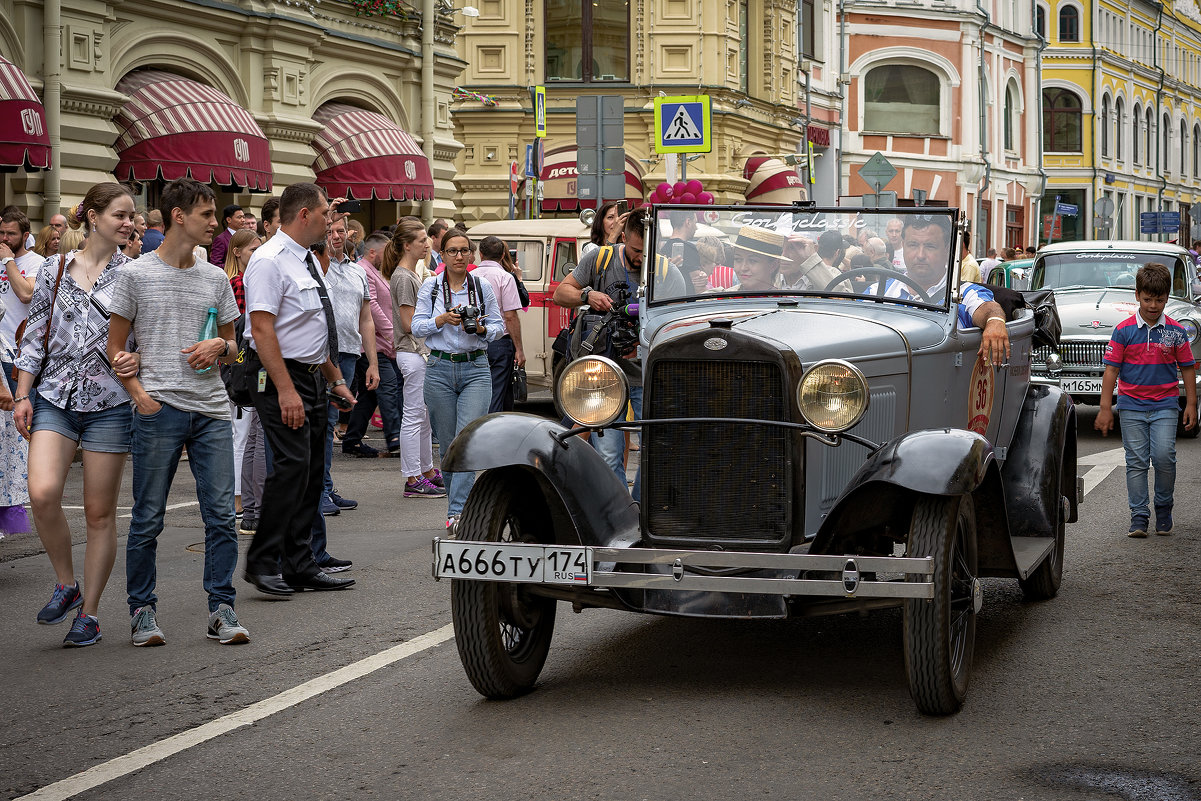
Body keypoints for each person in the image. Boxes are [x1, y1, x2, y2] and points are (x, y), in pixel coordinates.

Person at [106, 178, 249, 647]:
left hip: (210, 409)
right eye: (207, 215)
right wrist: (138, 393)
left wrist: (220, 345)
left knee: (222, 517)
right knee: (148, 517)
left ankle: (221, 610)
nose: (216, 223)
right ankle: (142, 612)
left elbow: (234, 348)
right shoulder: (135, 274)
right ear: (178, 216)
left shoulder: (213, 277)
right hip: (158, 408)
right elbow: (115, 347)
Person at [13, 182, 140, 648]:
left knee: (98, 513)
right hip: (54, 398)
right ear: (92, 217)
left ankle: (89, 614)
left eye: (131, 216)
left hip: (110, 404)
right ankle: (66, 584)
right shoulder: (54, 268)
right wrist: (23, 393)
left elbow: (144, 341)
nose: (129, 223)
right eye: (120, 215)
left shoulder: (134, 274)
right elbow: (34, 338)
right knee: (43, 493)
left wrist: (138, 361)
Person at [240, 183, 357, 595]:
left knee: (308, 474)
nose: (332, 220)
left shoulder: (306, 258)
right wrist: (286, 390)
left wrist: (334, 379)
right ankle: (262, 561)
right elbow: (261, 328)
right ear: (304, 215)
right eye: (326, 213)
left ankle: (299, 563)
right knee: (290, 468)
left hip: (311, 376)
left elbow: (310, 328)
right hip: (279, 378)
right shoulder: (269, 260)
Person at [552, 212, 686, 497]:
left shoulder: (667, 273)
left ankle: (639, 508)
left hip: (647, 376)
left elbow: (680, 326)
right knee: (608, 453)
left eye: (647, 251)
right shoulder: (600, 259)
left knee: (655, 448)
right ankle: (618, 511)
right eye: (637, 250)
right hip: (603, 374)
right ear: (624, 237)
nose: (641, 258)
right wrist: (587, 296)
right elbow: (561, 294)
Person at [1095, 263, 1197, 537]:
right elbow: (1111, 371)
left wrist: (1190, 404)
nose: (1153, 305)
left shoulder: (1175, 331)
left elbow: (1187, 367)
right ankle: (1139, 516)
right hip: (1130, 406)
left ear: (1167, 298)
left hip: (1165, 405)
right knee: (1136, 462)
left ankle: (1163, 508)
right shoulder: (1123, 330)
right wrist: (1105, 408)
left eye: (1160, 300)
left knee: (1165, 457)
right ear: (1137, 295)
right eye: (1148, 299)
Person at [411, 229, 503, 531]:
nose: (459, 256)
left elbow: (498, 327)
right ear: (443, 254)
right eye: (452, 251)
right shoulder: (431, 287)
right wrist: (441, 320)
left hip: (475, 368)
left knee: (465, 441)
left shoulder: (482, 287)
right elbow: (416, 327)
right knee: (448, 445)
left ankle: (458, 512)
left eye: (464, 251)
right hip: (439, 369)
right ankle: (457, 507)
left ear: (472, 254)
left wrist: (478, 329)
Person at [866, 215, 1010, 365]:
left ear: (947, 250)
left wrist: (995, 321)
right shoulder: (878, 292)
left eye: (930, 246)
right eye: (913, 245)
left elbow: (988, 307)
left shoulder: (963, 294)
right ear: (903, 245)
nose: (920, 255)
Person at [384, 221, 445, 498]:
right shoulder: (404, 277)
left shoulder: (410, 274)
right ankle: (412, 478)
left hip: (417, 352)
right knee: (413, 416)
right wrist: (441, 320)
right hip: (412, 351)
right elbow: (409, 324)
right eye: (421, 240)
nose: (427, 244)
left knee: (422, 417)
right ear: (407, 245)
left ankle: (426, 471)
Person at [223, 228, 262, 519]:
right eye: (251, 250)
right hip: (241, 365)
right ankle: (238, 497)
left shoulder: (249, 281)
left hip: (244, 363)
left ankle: (243, 496)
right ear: (237, 252)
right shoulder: (238, 283)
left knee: (246, 434)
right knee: (243, 434)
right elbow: (240, 328)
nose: (256, 254)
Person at [474, 236, 526, 413]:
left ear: (480, 254)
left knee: (479, 392)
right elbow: (510, 316)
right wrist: (519, 349)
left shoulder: (470, 277)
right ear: (503, 254)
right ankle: (492, 434)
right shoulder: (505, 277)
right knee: (497, 393)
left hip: (473, 339)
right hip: (499, 341)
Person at [0, 208, 39, 387]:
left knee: (18, 407)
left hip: (17, 349)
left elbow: (26, 294)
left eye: (11, 234)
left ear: (25, 236)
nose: (5, 238)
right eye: (1, 232)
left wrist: (8, 261)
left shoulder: (37, 261)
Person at [732, 227, 792, 291]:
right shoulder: (724, 297)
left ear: (773, 265)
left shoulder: (785, 300)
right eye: (738, 259)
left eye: (752, 261)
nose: (743, 268)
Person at [209, 204, 244, 269]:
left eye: (243, 217)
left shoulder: (244, 236)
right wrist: (236, 265)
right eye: (239, 217)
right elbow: (215, 264)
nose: (243, 220)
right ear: (229, 220)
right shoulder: (221, 239)